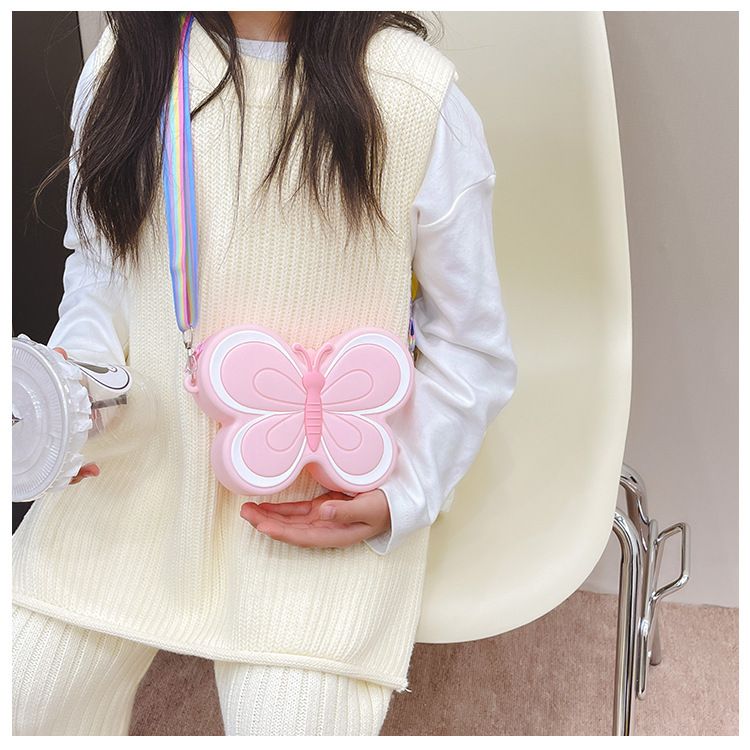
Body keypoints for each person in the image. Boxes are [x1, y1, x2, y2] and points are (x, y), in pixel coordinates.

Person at [12, 11, 518, 736]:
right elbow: (101, 264)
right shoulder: (125, 65)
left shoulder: (412, 95)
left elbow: (470, 345)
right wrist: (81, 378)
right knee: (21, 690)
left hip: (313, 496)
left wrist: (404, 493)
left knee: (290, 724)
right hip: (136, 465)